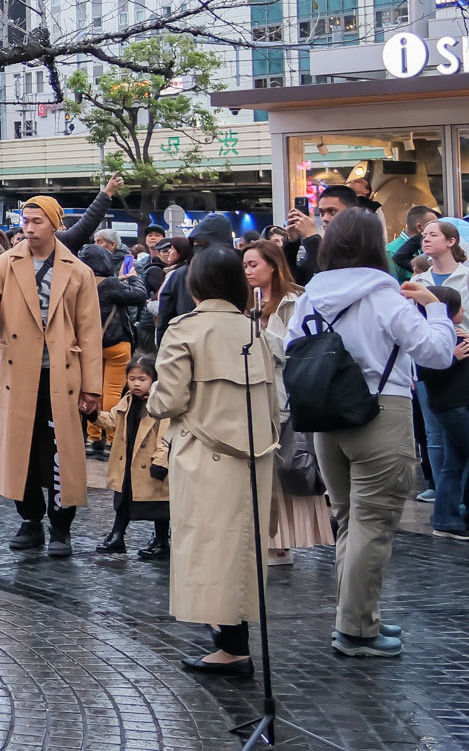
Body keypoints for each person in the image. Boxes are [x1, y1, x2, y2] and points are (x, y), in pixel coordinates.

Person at [285, 206, 457, 657]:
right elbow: (437, 353)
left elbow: (289, 349)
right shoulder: (385, 296)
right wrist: (436, 308)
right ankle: (357, 628)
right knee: (372, 523)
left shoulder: (309, 297)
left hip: (324, 419)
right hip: (380, 413)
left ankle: (355, 616)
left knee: (347, 520)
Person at [148, 247, 276, 676]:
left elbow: (167, 400)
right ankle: (234, 644)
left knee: (206, 547)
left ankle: (228, 645)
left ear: (195, 284)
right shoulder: (253, 329)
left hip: (203, 451)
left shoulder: (185, 328)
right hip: (254, 455)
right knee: (243, 548)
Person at [0, 195, 103, 556]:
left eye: (37, 221)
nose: (28, 227)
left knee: (61, 453)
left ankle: (61, 527)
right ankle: (29, 520)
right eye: (25, 220)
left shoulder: (79, 270)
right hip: (16, 375)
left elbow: (90, 333)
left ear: (55, 224)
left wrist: (93, 388)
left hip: (63, 374)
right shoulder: (2, 265)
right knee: (20, 449)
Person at [245, 235, 332, 563]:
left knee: (289, 466)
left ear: (273, 266)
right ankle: (265, 539)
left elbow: (302, 349)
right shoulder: (244, 301)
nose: (248, 272)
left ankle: (283, 542)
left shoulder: (297, 300)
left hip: (289, 394)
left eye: (253, 265)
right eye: (244, 266)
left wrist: (262, 333)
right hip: (252, 396)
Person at [416, 284, 469, 539]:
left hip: (464, 404)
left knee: (454, 463)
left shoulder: (460, 333)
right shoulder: (432, 338)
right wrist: (451, 357)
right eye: (461, 306)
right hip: (450, 407)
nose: (465, 309)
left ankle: (448, 519)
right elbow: (424, 372)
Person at [96, 352, 170, 556]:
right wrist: (93, 415)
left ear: (154, 380)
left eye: (142, 379)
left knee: (160, 505)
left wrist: (162, 460)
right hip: (128, 461)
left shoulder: (161, 403)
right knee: (123, 500)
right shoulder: (127, 400)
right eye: (132, 379)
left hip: (150, 462)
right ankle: (117, 534)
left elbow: (167, 435)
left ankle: (162, 541)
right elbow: (112, 421)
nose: (136, 384)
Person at [89, 244, 152, 457]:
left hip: (90, 345)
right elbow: (140, 295)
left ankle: (93, 436)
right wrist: (132, 276)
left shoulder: (79, 282)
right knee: (113, 390)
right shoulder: (111, 283)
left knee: (91, 388)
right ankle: (112, 437)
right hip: (116, 343)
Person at [282, 183, 360, 285]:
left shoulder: (362, 247)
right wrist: (292, 243)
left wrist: (311, 238)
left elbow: (332, 281)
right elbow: (295, 281)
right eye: (322, 213)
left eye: (332, 212)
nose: (325, 218)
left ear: (352, 213)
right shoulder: (324, 245)